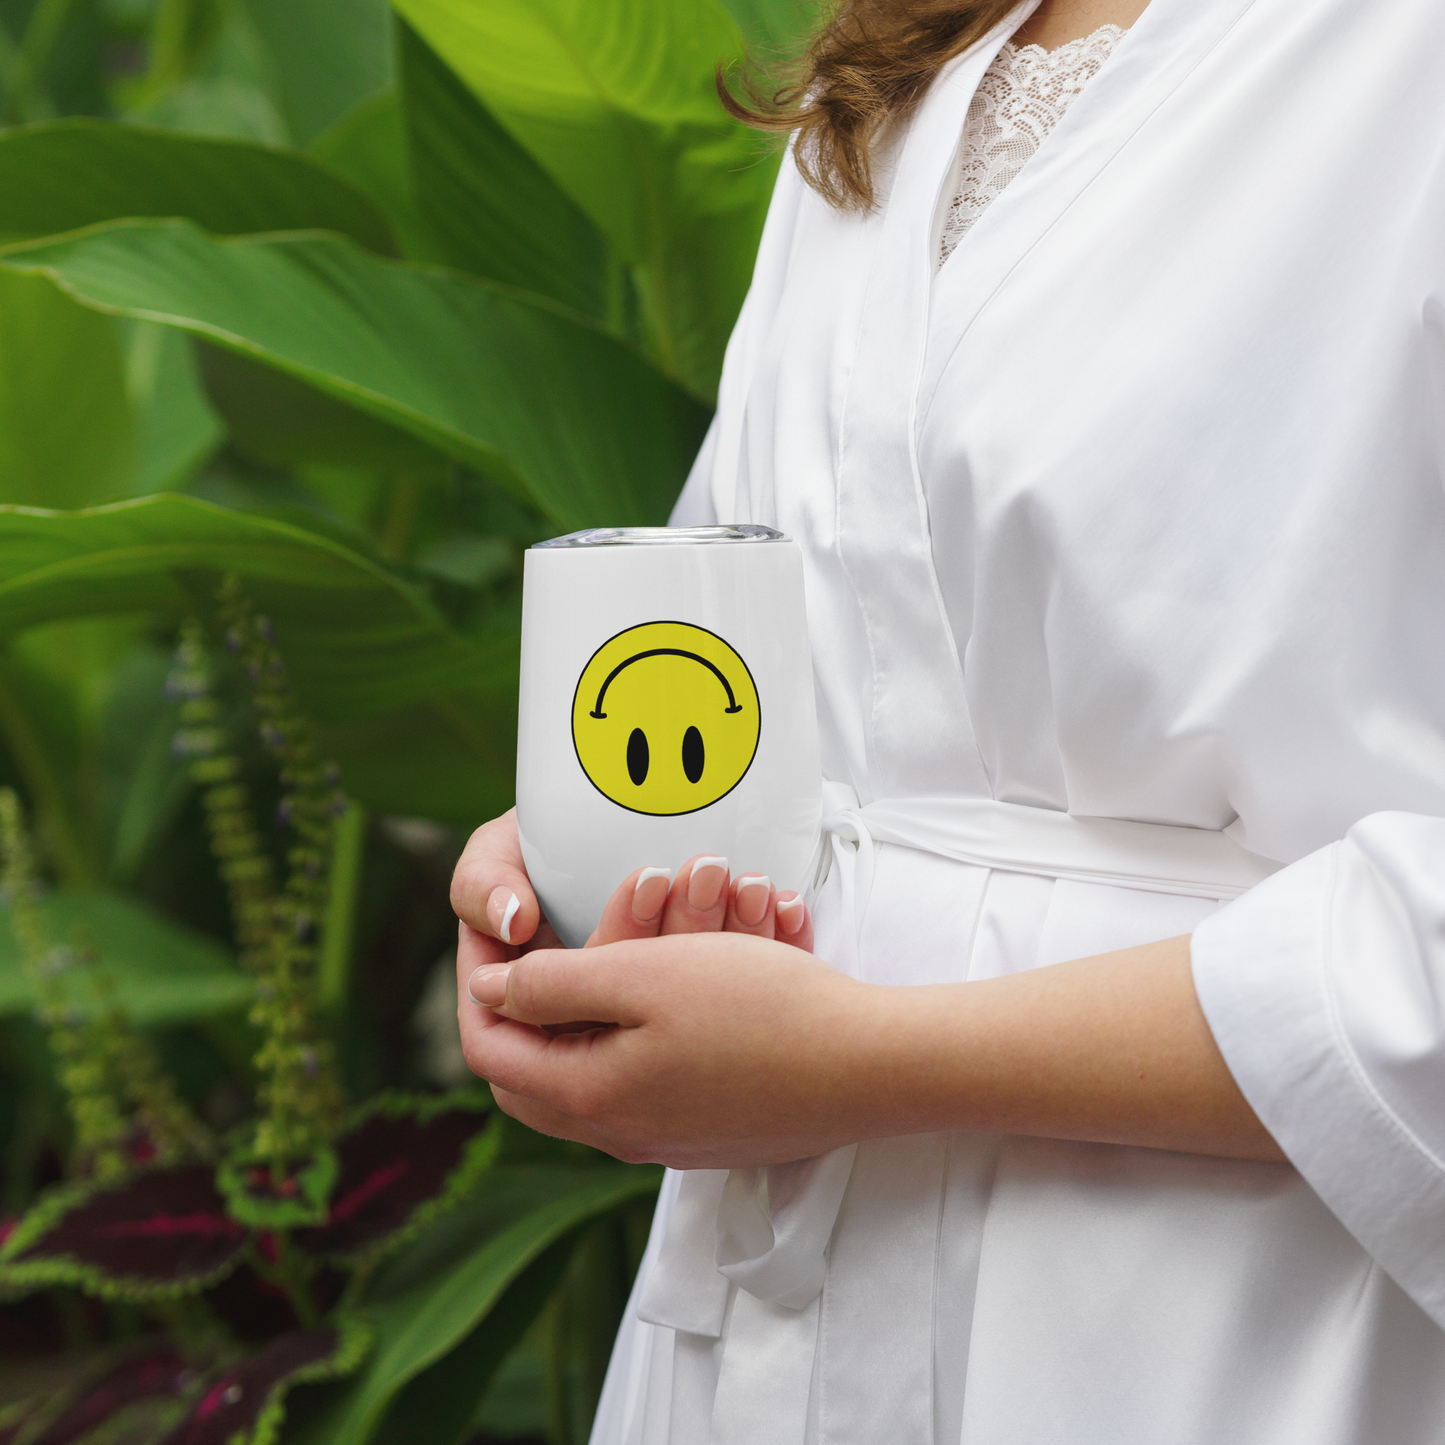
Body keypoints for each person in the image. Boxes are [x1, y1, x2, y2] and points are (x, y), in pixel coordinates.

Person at [451, 0, 1445, 1439]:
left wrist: (863, 1061)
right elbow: (796, 653)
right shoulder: (904, 57)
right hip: (782, 1309)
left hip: (1234, 1316)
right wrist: (595, 850)